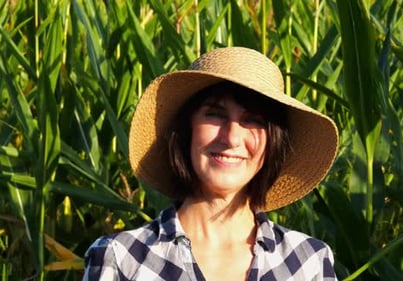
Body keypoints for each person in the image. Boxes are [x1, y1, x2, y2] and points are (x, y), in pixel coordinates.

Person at [82, 47, 339, 280]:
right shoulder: (121, 259)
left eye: (253, 120)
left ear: (274, 142)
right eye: (215, 115)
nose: (232, 138)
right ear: (186, 130)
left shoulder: (307, 262)